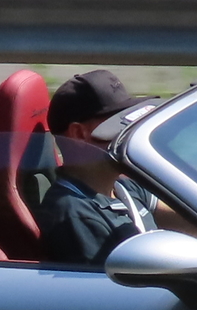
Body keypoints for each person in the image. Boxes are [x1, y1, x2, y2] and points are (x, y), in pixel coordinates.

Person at [36, 69, 144, 266]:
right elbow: (113, 293)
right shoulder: (75, 216)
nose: (130, 133)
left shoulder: (124, 188)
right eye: (119, 123)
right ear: (78, 133)